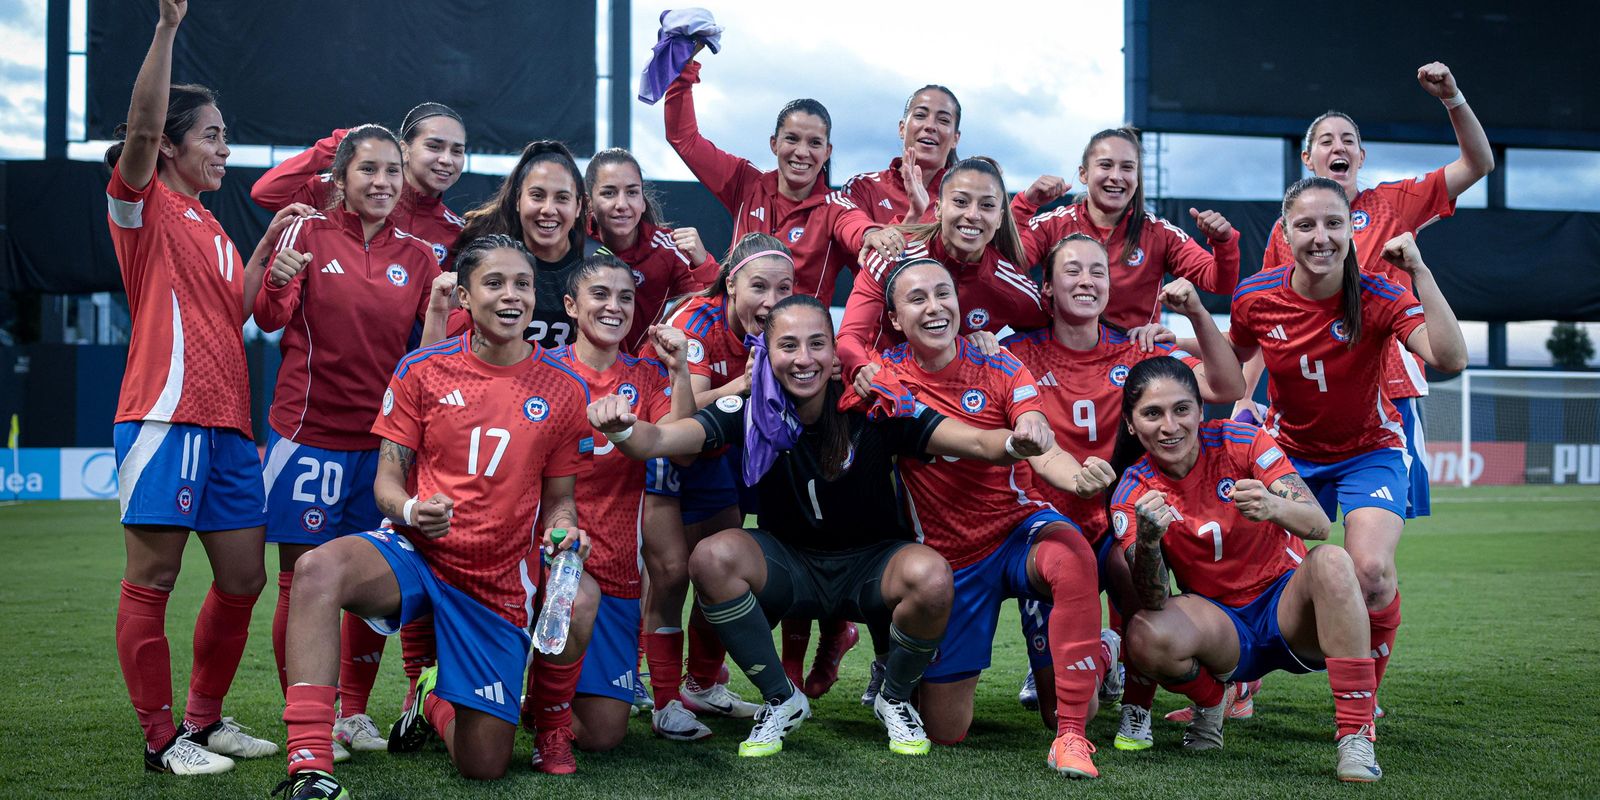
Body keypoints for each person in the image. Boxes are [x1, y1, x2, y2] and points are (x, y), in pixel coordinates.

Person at [591, 294, 1050, 757]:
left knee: (931, 575)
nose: (803, 359)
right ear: (765, 357)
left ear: (835, 357)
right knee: (712, 556)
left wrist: (1017, 441)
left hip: (871, 570)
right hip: (791, 568)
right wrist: (621, 429)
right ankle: (780, 698)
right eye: (788, 346)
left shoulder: (872, 405)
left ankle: (893, 698)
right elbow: (663, 438)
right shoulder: (751, 408)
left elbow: (973, 439)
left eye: (817, 345)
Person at [271, 235, 596, 800]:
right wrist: (412, 509)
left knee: (484, 764)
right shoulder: (422, 370)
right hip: (418, 553)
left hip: (496, 582)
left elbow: (561, 497)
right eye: (494, 283)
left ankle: (434, 697)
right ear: (464, 298)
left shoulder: (565, 389)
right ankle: (310, 762)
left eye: (521, 283)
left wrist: (563, 530)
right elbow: (386, 484)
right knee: (317, 569)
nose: (512, 295)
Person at [105, 0, 288, 775]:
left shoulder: (214, 227)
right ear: (171, 146)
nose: (223, 147)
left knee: (245, 578)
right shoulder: (139, 206)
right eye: (211, 134)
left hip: (228, 428)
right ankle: (159, 741)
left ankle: (205, 722)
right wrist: (167, 29)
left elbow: (235, 310)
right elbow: (139, 131)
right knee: (153, 580)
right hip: (163, 418)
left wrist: (274, 251)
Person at [867, 258, 1116, 778]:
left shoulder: (1000, 364)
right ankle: (906, 667)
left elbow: (1037, 439)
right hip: (951, 559)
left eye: (944, 294)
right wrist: (1013, 443)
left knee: (1072, 557)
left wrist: (1076, 480)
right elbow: (992, 444)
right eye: (918, 299)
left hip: (1017, 532)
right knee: (946, 731)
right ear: (893, 318)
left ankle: (1072, 735)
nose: (935, 308)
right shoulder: (887, 378)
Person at [1229, 178, 1467, 716]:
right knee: (1248, 570)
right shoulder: (1255, 297)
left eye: (1333, 224)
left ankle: (1366, 693)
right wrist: (1237, 399)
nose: (1321, 237)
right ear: (1284, 234)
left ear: (1351, 232)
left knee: (1373, 575)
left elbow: (1450, 358)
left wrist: (1421, 272)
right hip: (1288, 452)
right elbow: (1231, 361)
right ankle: (1239, 686)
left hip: (1369, 452)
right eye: (1306, 225)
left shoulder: (1380, 294)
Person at [1001, 233, 1246, 745]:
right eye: (1071, 271)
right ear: (1046, 285)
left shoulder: (1136, 349)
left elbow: (1226, 389)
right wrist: (975, 341)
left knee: (1132, 565)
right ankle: (1105, 650)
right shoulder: (1013, 354)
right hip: (1042, 532)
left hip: (1114, 522)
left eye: (1097, 271)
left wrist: (1196, 317)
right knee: (1066, 715)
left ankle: (1138, 704)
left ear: (1111, 286)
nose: (1086, 280)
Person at [253, 123, 442, 756]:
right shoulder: (305, 231)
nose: (383, 182)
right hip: (305, 438)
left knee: (369, 581)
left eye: (393, 171)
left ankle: (353, 715)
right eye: (368, 170)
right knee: (300, 582)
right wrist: (278, 276)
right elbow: (269, 318)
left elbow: (430, 353)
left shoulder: (419, 255)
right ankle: (307, 713)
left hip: (382, 449)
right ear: (340, 178)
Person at [1106, 357, 1383, 782]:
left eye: (1182, 409)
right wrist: (1146, 543)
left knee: (1332, 561)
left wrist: (1274, 506)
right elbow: (1155, 598)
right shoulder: (1132, 492)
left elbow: (1319, 525)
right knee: (1144, 632)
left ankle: (1356, 734)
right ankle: (1213, 699)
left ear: (1201, 410)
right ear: (1130, 423)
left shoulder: (1242, 440)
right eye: (1152, 413)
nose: (1170, 426)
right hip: (1223, 631)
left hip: (1286, 609)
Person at [1251, 63, 1494, 523]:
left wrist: (1453, 98)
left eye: (1347, 140)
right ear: (1308, 159)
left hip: (1388, 393)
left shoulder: (1393, 203)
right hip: (1309, 403)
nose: (1337, 146)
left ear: (1361, 156)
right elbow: (1266, 318)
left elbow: (1478, 164)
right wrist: (1244, 397)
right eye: (1326, 140)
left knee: (1376, 554)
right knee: (1291, 542)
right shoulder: (1288, 232)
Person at [524, 255, 702, 771]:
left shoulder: (645, 376)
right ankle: (516, 708)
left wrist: (681, 370)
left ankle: (541, 698)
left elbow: (684, 448)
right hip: (539, 557)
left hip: (618, 564)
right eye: (600, 295)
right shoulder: (538, 368)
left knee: (603, 736)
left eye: (625, 297)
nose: (614, 306)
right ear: (571, 305)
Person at [641, 233, 797, 720]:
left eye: (784, 289)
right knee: (669, 577)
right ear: (731, 284)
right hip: (666, 453)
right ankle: (663, 697)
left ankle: (701, 685)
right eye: (759, 287)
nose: (772, 302)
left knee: (719, 574)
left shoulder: (781, 329)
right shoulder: (694, 322)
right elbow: (678, 418)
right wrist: (742, 385)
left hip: (721, 458)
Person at [664, 56, 861, 300]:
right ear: (774, 144)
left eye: (814, 143)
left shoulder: (835, 208)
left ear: (827, 152)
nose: (801, 151)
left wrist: (873, 234)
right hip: (734, 333)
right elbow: (685, 140)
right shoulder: (745, 182)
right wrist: (683, 67)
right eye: (791, 138)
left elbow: (860, 232)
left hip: (795, 336)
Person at [1003, 128, 1240, 329]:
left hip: (1132, 360)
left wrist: (1224, 243)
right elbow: (1004, 266)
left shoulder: (1159, 233)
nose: (1116, 176)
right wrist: (1025, 204)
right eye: (1105, 165)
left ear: (1137, 178)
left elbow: (1220, 283)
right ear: (1083, 174)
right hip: (1060, 357)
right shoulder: (1053, 225)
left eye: (1127, 168)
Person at [841, 156, 1047, 385]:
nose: (973, 215)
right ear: (938, 208)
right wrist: (863, 369)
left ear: (999, 219)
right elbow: (851, 336)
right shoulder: (893, 254)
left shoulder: (1012, 285)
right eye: (960, 202)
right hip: (881, 394)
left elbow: (1048, 340)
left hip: (955, 404)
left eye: (987, 205)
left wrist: (989, 353)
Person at [250, 102, 468, 268]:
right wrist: (342, 144)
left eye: (457, 151)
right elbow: (266, 194)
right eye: (434, 147)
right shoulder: (348, 189)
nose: (447, 160)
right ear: (403, 149)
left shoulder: (456, 231)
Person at [450, 140, 600, 349]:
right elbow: (447, 345)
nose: (548, 209)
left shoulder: (598, 265)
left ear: (578, 206)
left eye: (562, 198)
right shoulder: (482, 258)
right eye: (537, 196)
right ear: (518, 200)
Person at [584, 147, 720, 353]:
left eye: (632, 192)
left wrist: (703, 263)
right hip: (575, 369)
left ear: (643, 202)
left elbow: (717, 307)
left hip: (638, 374)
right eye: (609, 193)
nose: (622, 204)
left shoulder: (665, 249)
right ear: (589, 203)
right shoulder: (572, 242)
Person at [831, 84, 963, 251]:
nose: (930, 126)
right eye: (921, 115)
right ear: (902, 128)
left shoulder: (966, 198)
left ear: (955, 139)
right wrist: (914, 216)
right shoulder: (863, 188)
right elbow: (866, 260)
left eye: (943, 120)